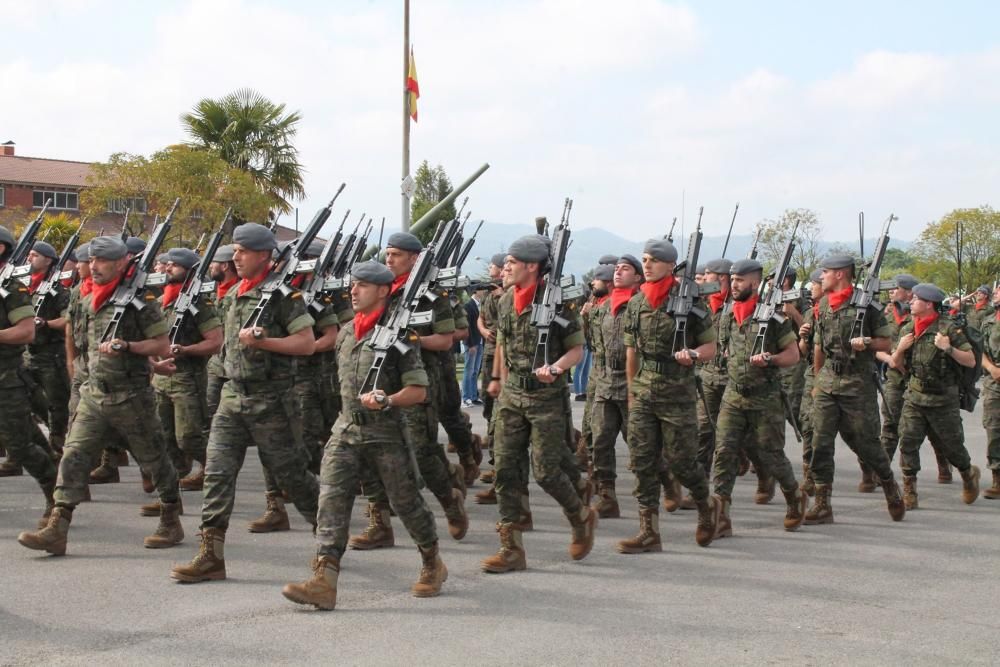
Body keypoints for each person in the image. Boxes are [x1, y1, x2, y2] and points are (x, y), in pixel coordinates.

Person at [281, 261, 446, 610]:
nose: (353, 291)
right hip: (346, 429)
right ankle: (324, 579)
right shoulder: (346, 332)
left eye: (363, 286)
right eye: (353, 285)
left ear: (384, 291)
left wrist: (388, 399)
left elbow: (418, 390)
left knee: (405, 502)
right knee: (332, 498)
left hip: (386, 431)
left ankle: (432, 561)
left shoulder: (401, 336)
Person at [170, 223, 320, 582]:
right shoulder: (234, 292)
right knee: (218, 474)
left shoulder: (286, 297)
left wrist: (265, 342)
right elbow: (226, 346)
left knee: (294, 478)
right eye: (234, 250)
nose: (235, 256)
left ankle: (329, 535)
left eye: (243, 251)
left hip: (273, 401)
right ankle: (210, 554)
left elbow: (307, 343)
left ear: (264, 255)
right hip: (232, 397)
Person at [18, 235, 183, 556]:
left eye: (102, 261)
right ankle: (58, 527)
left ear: (121, 263)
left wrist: (130, 348)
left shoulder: (139, 300)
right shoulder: (82, 294)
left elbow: (161, 344)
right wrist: (72, 370)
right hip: (92, 392)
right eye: (91, 260)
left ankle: (170, 517)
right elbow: (72, 332)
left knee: (153, 459)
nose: (94, 266)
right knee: (74, 455)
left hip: (131, 396)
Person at [481, 235, 595, 572]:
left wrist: (557, 368)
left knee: (546, 471)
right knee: (505, 469)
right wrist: (498, 378)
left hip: (545, 396)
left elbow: (576, 349)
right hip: (512, 395)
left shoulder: (559, 304)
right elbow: (502, 340)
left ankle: (580, 516)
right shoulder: (505, 302)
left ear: (532, 266)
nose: (506, 268)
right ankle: (511, 548)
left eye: (512, 263)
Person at [349, 232, 467, 551]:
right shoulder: (378, 292)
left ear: (415, 259)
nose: (389, 259)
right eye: (387, 254)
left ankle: (449, 499)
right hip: (376, 381)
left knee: (422, 450)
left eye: (397, 255)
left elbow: (445, 340)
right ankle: (379, 524)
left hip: (417, 380)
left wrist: (405, 341)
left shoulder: (433, 296)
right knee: (368, 454)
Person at [617, 238, 721, 554]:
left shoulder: (690, 301)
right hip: (645, 391)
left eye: (653, 260)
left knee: (682, 462)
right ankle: (649, 531)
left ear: (670, 266)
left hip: (677, 391)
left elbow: (711, 347)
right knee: (642, 461)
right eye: (644, 259)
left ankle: (707, 505)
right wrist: (633, 392)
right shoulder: (636, 303)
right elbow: (632, 351)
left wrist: (693, 353)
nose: (646, 264)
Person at [806, 254, 905, 525]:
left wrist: (867, 343)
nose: (821, 276)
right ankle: (822, 504)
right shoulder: (823, 304)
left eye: (826, 272)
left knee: (867, 442)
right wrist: (817, 381)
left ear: (840, 274)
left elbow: (886, 343)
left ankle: (888, 485)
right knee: (820, 443)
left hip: (857, 383)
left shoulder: (867, 306)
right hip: (828, 382)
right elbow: (818, 345)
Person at [711, 259, 807, 537]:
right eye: (732, 279)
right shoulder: (728, 317)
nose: (733, 284)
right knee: (725, 452)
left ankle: (794, 497)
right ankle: (720, 515)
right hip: (734, 395)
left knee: (771, 454)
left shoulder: (774, 319)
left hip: (765, 397)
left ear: (754, 283)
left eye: (739, 280)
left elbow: (793, 355)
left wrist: (771, 359)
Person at [891, 282, 980, 509]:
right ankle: (910, 491)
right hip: (915, 395)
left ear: (929, 304)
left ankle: (969, 474)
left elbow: (970, 361)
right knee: (908, 441)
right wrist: (900, 349)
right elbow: (896, 364)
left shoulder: (948, 328)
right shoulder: (907, 329)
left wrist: (948, 348)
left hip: (943, 399)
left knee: (953, 446)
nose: (910, 302)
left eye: (915, 299)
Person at [150, 247, 223, 512]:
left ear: (189, 270)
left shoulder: (199, 304)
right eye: (166, 264)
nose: (167, 268)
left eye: (174, 265)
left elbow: (215, 343)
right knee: (166, 439)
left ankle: (217, 471)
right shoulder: (163, 300)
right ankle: (170, 497)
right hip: (162, 379)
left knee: (189, 437)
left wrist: (186, 350)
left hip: (187, 379)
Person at [0, 225, 59, 529]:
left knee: (20, 447)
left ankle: (55, 498)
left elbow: (26, 331)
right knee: (26, 438)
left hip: (6, 382)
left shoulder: (11, 288)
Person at [589, 255, 642, 518]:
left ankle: (663, 482)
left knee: (639, 444)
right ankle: (607, 497)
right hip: (605, 384)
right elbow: (595, 345)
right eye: (617, 269)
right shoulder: (602, 308)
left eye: (626, 269)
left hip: (633, 385)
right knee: (600, 441)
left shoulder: (643, 306)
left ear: (638, 277)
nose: (618, 272)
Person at [193, 244, 239, 491]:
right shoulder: (211, 293)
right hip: (215, 364)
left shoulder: (241, 292)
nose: (210, 267)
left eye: (213, 263)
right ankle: (207, 470)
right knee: (206, 417)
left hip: (237, 366)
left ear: (224, 265)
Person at [25, 240, 71, 461]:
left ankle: (58, 446)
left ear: (48, 260)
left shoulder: (57, 290)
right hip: (27, 353)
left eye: (35, 255)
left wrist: (45, 323)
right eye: (30, 254)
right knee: (25, 400)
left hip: (51, 354)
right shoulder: (24, 286)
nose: (29, 258)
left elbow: (67, 320)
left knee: (57, 404)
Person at [474, 254, 507, 504]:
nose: (493, 269)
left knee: (501, 419)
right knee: (488, 402)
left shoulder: (507, 296)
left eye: (494, 266)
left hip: (504, 357)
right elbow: (480, 318)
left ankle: (501, 475)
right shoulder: (488, 292)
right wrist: (483, 330)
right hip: (489, 353)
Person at [982, 283, 1000, 499]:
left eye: (998, 291)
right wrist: (991, 369)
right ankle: (997, 477)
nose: (995, 293)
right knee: (994, 429)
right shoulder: (988, 321)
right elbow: (980, 350)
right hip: (994, 383)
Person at [461, 289, 483, 406]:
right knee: (468, 371)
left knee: (475, 371)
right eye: (481, 289)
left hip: (479, 341)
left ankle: (474, 396)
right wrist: (469, 344)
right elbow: (467, 326)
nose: (483, 291)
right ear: (475, 291)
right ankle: (466, 397)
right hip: (472, 343)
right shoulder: (468, 305)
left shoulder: (480, 305)